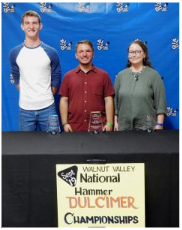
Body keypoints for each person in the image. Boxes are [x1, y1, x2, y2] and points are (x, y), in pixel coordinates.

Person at [9, 11, 61, 131]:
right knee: (25, 148)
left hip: (48, 108)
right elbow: (16, 76)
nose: (31, 26)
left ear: (40, 26)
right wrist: (28, 95)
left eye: (34, 23)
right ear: (22, 26)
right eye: (27, 23)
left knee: (54, 146)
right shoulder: (15, 53)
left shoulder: (51, 52)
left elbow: (56, 77)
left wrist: (45, 96)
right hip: (25, 109)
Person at [59, 40, 114, 132]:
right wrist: (65, 123)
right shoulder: (68, 76)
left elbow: (108, 100)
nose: (84, 54)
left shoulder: (104, 75)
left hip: (99, 127)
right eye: (81, 51)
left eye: (88, 51)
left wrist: (109, 123)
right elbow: (64, 100)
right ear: (76, 55)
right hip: (74, 127)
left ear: (93, 54)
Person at [114, 40, 167, 131]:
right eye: (131, 52)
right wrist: (115, 122)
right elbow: (115, 103)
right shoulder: (120, 76)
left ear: (144, 54)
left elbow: (160, 103)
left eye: (138, 52)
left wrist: (159, 124)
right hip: (123, 128)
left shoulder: (154, 75)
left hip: (148, 128)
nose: (134, 55)